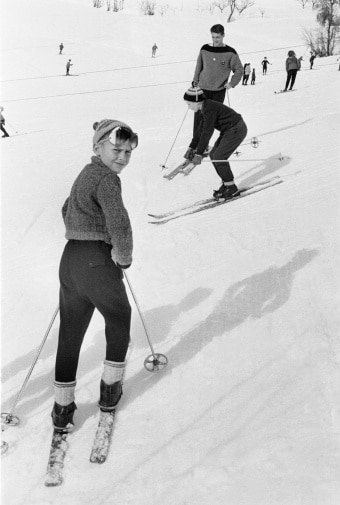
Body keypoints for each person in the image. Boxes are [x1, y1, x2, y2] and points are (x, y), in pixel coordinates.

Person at [51, 119, 138, 432]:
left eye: (128, 152)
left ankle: (62, 408)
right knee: (119, 317)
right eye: (116, 149)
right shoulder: (107, 179)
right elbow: (119, 222)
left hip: (70, 259)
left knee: (70, 332)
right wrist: (123, 256)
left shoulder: (86, 173)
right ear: (98, 146)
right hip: (95, 260)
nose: (122, 157)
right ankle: (110, 391)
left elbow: (66, 207)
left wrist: (81, 228)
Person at [183, 86, 247, 200]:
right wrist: (191, 147)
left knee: (219, 156)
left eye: (189, 104)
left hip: (236, 129)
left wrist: (198, 154)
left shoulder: (209, 108)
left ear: (197, 102)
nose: (188, 107)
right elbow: (200, 130)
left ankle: (231, 188)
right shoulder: (205, 108)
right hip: (229, 130)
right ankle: (227, 184)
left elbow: (207, 132)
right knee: (214, 155)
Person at [191, 24, 243, 132]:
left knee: (210, 119)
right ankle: (195, 146)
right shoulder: (205, 49)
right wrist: (195, 81)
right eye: (213, 37)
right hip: (203, 89)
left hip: (218, 91)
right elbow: (198, 66)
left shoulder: (230, 52)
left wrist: (231, 83)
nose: (215, 40)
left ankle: (204, 145)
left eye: (218, 37)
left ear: (223, 35)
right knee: (199, 117)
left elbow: (239, 70)